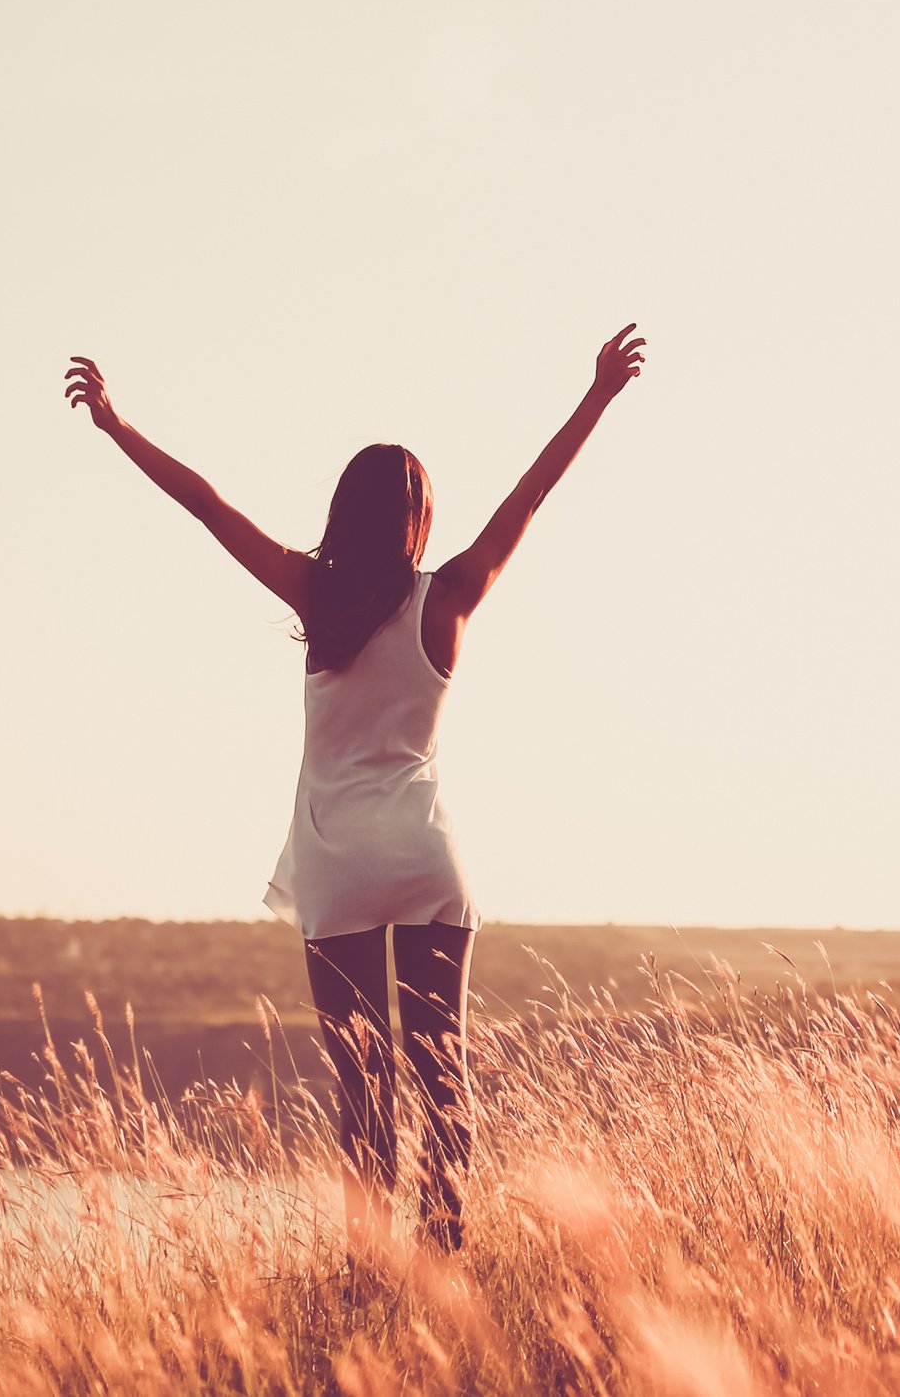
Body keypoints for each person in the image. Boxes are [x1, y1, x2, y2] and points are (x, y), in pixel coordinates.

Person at [63, 326, 646, 1250]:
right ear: (417, 519)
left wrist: (116, 424)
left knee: (362, 1085)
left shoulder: (313, 593)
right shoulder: (448, 597)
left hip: (337, 868)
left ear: (346, 511)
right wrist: (598, 395)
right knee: (438, 1073)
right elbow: (529, 496)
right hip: (424, 860)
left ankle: (375, 1266)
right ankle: (442, 1252)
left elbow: (209, 507)